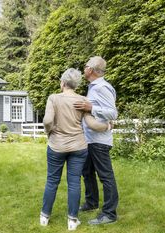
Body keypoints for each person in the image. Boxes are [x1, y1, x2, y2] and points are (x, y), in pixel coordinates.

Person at [40, 68, 110, 231]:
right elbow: (92, 124)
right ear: (76, 85)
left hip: (57, 146)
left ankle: (44, 217)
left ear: (63, 83)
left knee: (52, 181)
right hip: (79, 147)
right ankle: (72, 221)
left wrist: (49, 132)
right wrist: (107, 125)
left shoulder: (53, 98)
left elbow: (48, 120)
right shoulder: (82, 100)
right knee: (74, 183)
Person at [73, 56, 119, 225]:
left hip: (99, 141)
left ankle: (110, 213)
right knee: (87, 173)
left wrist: (91, 107)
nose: (84, 69)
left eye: (85, 66)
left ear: (91, 70)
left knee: (106, 176)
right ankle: (91, 203)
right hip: (89, 140)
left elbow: (113, 113)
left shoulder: (102, 87)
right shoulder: (93, 88)